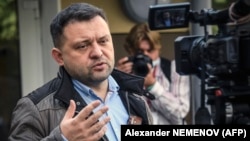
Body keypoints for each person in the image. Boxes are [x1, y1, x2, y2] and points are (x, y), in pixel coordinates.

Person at [8, 3, 152, 141]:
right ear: (59, 57)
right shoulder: (36, 109)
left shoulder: (135, 97)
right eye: (83, 46)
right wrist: (63, 139)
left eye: (103, 41)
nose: (97, 52)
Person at [116, 23, 190, 125]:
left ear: (158, 48)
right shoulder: (122, 72)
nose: (145, 55)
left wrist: (153, 86)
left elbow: (180, 113)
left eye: (150, 50)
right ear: (130, 50)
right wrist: (117, 80)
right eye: (140, 51)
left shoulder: (174, 69)